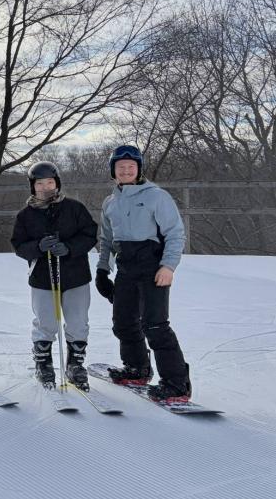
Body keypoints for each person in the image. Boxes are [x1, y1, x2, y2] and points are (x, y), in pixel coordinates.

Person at [95, 145, 192, 402]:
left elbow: (175, 233)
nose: (125, 170)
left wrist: (168, 266)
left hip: (153, 267)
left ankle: (176, 383)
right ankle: (137, 368)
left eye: (131, 166)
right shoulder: (110, 202)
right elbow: (106, 239)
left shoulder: (156, 196)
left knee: (155, 324)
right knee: (124, 322)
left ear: (139, 169)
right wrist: (103, 270)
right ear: (113, 171)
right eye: (120, 167)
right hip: (126, 267)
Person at [10, 161, 98, 390]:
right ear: (33, 186)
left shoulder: (74, 208)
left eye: (50, 182)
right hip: (42, 277)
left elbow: (90, 235)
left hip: (75, 275)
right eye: (40, 183)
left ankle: (75, 364)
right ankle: (44, 363)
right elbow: (18, 245)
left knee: (78, 321)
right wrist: (38, 247)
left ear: (57, 183)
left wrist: (70, 247)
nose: (46, 187)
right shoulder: (26, 215)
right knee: (45, 321)